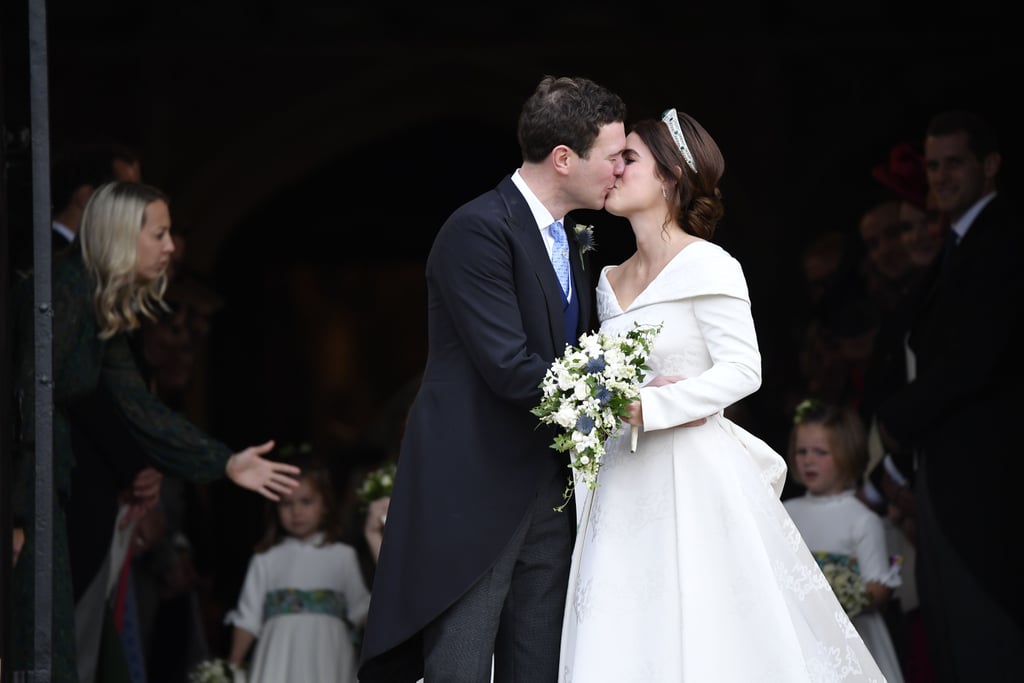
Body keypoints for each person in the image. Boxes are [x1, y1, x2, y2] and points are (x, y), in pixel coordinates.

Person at [556, 108, 886, 682]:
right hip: (619, 478)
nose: (614, 169)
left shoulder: (711, 265)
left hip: (691, 475)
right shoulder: (607, 278)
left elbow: (743, 370)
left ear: (670, 177)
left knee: (705, 623)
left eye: (629, 158)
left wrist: (652, 407)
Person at [358, 75, 628, 683]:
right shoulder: (476, 229)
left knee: (538, 662)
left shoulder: (575, 237)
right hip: (474, 487)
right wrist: (618, 403)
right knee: (461, 664)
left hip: (549, 486)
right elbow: (508, 367)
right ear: (565, 158)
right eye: (613, 156)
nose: (619, 170)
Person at [10, 181, 301, 682]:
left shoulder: (95, 299)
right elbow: (21, 407)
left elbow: (137, 405)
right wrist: (14, 518)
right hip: (29, 500)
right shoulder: (63, 292)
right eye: (160, 234)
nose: (170, 247)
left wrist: (225, 462)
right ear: (123, 235)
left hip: (49, 500)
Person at [877, 110, 1024, 681]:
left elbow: (972, 359)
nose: (940, 176)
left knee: (988, 637)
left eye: (954, 163)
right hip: (945, 474)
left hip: (989, 481)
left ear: (989, 165)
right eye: (933, 165)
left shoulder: (1004, 240)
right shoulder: (957, 245)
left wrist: (890, 428)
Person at [784, 399, 905, 683]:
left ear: (847, 454)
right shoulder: (784, 512)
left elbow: (879, 586)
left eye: (820, 452)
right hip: (802, 634)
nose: (808, 460)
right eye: (801, 451)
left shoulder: (862, 519)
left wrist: (845, 598)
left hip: (850, 638)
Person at [226, 456, 370, 682]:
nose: (296, 512)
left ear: (325, 505)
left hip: (329, 659)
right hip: (278, 659)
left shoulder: (342, 556)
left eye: (306, 501)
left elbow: (362, 610)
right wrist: (230, 668)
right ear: (275, 507)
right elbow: (248, 619)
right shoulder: (266, 558)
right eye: (287, 504)